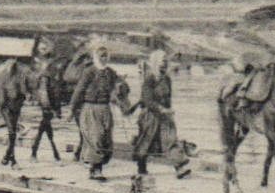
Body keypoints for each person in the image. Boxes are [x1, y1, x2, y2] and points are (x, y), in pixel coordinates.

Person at [129, 48, 190, 178]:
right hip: (150, 116)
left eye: (166, 62)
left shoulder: (167, 79)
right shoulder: (149, 80)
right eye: (162, 62)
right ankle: (141, 167)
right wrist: (160, 108)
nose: (164, 65)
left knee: (171, 140)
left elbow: (168, 98)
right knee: (145, 142)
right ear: (155, 63)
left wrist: (168, 111)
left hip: (165, 116)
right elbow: (147, 99)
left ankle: (179, 167)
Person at [70, 40, 120, 181]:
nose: (104, 58)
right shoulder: (89, 71)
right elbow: (79, 90)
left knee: (106, 138)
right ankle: (96, 169)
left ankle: (97, 166)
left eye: (106, 56)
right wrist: (72, 108)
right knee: (95, 137)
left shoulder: (110, 73)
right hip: (91, 108)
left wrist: (119, 93)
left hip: (105, 108)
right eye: (101, 56)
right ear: (96, 57)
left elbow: (117, 86)